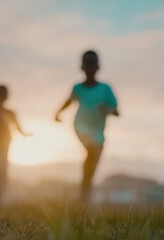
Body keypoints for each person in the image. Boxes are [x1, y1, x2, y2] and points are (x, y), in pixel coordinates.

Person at [55, 50, 119, 203]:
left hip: (98, 132)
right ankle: (84, 193)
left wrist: (106, 109)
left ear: (98, 67)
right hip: (81, 126)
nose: (90, 69)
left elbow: (117, 111)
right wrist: (57, 113)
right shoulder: (78, 88)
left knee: (92, 162)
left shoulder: (105, 89)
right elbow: (68, 101)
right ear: (82, 68)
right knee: (91, 151)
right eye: (87, 65)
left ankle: (85, 191)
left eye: (92, 65)